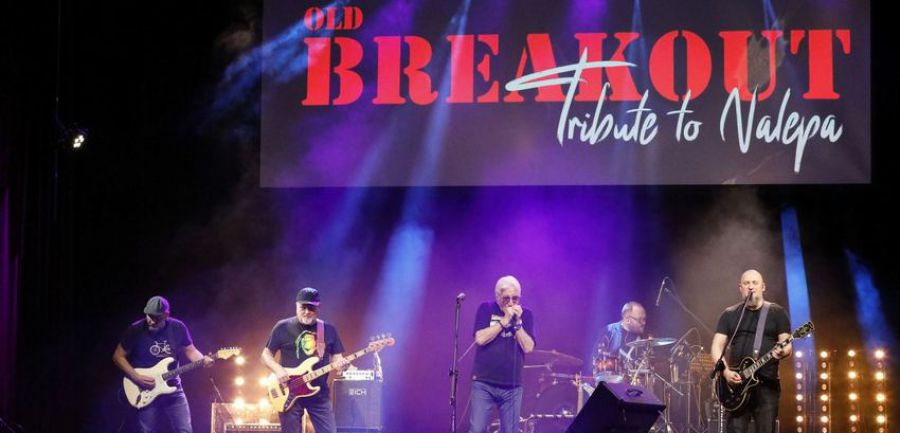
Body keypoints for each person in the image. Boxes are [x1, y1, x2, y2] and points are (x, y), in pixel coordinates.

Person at [112, 295, 212, 433]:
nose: (150, 320)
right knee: (148, 431)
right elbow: (118, 356)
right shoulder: (135, 329)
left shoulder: (178, 327)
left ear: (166, 315)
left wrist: (203, 360)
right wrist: (136, 377)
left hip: (173, 389)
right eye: (148, 315)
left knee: (185, 430)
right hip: (145, 389)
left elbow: (191, 351)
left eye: (155, 317)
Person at [710, 269, 792, 433]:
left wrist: (782, 352)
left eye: (755, 283)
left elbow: (787, 345)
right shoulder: (729, 314)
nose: (751, 286)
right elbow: (717, 346)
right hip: (737, 384)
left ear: (763, 287)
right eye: (746, 283)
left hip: (767, 384)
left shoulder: (777, 313)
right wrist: (726, 372)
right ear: (740, 288)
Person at [261, 287, 349, 433]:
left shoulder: (328, 329)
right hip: (288, 392)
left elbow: (337, 358)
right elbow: (265, 355)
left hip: (319, 395)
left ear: (318, 307)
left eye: (311, 308)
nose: (307, 312)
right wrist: (278, 370)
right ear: (296, 306)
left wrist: (342, 365)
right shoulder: (282, 327)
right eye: (303, 307)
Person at [468, 275, 536, 433]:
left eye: (515, 298)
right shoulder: (486, 308)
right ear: (498, 296)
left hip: (512, 387)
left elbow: (528, 347)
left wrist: (517, 324)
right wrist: (504, 321)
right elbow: (480, 338)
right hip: (484, 383)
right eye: (506, 298)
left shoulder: (526, 315)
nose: (511, 303)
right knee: (477, 429)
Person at [592, 301, 647, 382]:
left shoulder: (641, 340)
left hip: (630, 386)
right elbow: (595, 359)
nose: (644, 323)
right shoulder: (609, 331)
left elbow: (641, 368)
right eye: (640, 320)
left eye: (644, 319)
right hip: (607, 383)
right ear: (627, 320)